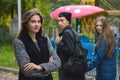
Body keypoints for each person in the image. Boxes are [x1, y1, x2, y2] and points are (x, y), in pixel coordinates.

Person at [13, 8, 61, 80]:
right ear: (26, 24)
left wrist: (40, 67)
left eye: (39, 22)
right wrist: (48, 68)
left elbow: (57, 62)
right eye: (33, 22)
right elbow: (27, 72)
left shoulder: (45, 40)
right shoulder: (19, 42)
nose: (37, 24)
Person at [55, 12, 85, 80]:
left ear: (68, 21)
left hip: (68, 69)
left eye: (62, 20)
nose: (59, 23)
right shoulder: (73, 31)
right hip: (74, 67)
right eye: (58, 21)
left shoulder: (67, 33)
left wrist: (59, 43)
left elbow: (70, 51)